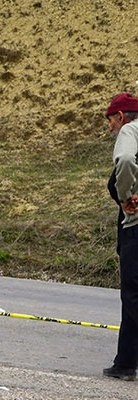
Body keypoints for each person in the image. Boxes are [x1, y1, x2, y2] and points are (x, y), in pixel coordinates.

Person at [104, 92, 138, 380]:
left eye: (111, 120)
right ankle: (125, 361)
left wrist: (127, 196)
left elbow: (126, 159)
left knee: (133, 293)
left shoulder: (131, 131)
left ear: (122, 116)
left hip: (136, 226)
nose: (110, 127)